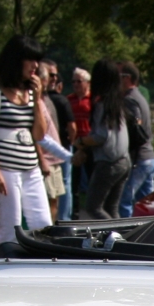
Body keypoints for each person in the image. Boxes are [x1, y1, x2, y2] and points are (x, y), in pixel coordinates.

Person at [0, 35, 53, 245]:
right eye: (30, 60)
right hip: (5, 170)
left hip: (30, 169)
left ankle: (39, 268)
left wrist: (37, 99)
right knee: (11, 227)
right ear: (16, 60)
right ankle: (8, 268)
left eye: (37, 60)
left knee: (43, 224)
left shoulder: (30, 93)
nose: (35, 66)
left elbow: (39, 135)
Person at [77, 58, 131, 220]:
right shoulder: (117, 103)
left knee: (93, 208)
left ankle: (117, 239)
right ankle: (122, 239)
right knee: (111, 208)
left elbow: (101, 136)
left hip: (108, 162)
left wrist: (81, 142)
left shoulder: (102, 105)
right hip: (124, 160)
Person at [117, 61, 154, 218]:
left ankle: (127, 236)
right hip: (149, 158)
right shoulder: (140, 96)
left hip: (139, 159)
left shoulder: (130, 99)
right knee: (147, 206)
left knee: (124, 201)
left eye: (118, 76)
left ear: (127, 78)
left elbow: (135, 125)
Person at [41, 59, 77, 220]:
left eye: (56, 75)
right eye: (51, 75)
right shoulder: (38, 100)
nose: (54, 78)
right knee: (47, 203)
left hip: (57, 155)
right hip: (46, 159)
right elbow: (39, 136)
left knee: (55, 199)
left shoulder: (47, 99)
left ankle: (59, 226)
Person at [68, 67, 93, 216]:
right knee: (73, 183)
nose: (76, 84)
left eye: (79, 81)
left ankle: (92, 211)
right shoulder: (69, 100)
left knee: (92, 180)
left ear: (87, 83)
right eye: (73, 81)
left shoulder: (93, 100)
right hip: (74, 143)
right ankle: (75, 214)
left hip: (90, 144)